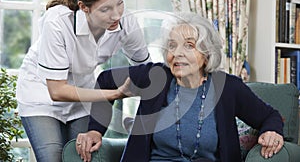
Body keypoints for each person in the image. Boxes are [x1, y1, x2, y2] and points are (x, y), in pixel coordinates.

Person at [76, 12, 284, 162]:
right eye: (172, 46)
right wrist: (95, 130)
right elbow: (104, 80)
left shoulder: (227, 87)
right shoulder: (155, 77)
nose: (177, 53)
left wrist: (272, 131)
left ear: (206, 54)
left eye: (189, 46)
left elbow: (270, 116)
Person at [16, 0, 151, 162]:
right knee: (52, 158)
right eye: (105, 9)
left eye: (119, 3)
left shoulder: (126, 22)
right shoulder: (57, 21)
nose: (116, 15)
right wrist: (113, 94)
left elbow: (146, 70)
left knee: (81, 157)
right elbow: (57, 90)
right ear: (84, 7)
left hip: (83, 94)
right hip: (42, 95)